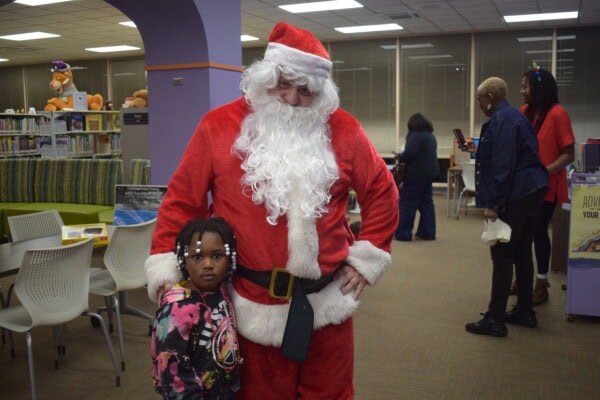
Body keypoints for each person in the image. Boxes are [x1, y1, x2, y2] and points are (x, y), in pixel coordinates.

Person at [144, 22, 399, 399]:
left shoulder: (343, 129)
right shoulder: (218, 127)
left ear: (322, 93)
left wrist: (366, 258)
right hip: (250, 309)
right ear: (265, 77)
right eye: (284, 84)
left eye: (306, 90)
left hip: (327, 307)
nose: (293, 99)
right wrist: (167, 267)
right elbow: (182, 200)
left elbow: (382, 191)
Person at [461, 77, 548, 337]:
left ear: (490, 97)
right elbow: (502, 152)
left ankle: (495, 320)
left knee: (502, 255)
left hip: (517, 192)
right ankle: (524, 312)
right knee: (522, 251)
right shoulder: (513, 116)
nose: (478, 104)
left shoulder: (501, 120)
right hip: (532, 189)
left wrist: (493, 204)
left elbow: (503, 165)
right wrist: (474, 148)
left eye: (479, 99)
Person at [151, 217, 242, 399]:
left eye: (217, 256)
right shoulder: (176, 310)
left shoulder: (221, 291)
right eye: (197, 257)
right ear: (183, 261)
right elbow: (172, 372)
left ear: (229, 258)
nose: (207, 264)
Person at [515, 65, 575, 305]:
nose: (521, 91)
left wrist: (544, 170)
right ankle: (522, 278)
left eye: (525, 86)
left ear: (538, 89)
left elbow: (568, 154)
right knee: (520, 235)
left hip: (547, 188)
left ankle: (541, 283)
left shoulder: (558, 114)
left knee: (538, 233)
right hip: (524, 186)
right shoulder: (524, 112)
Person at [394, 112, 439, 241]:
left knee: (407, 203)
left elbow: (409, 154)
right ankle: (428, 233)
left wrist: (399, 156)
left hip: (415, 175)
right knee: (426, 204)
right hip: (429, 174)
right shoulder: (430, 136)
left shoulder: (415, 136)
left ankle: (403, 234)